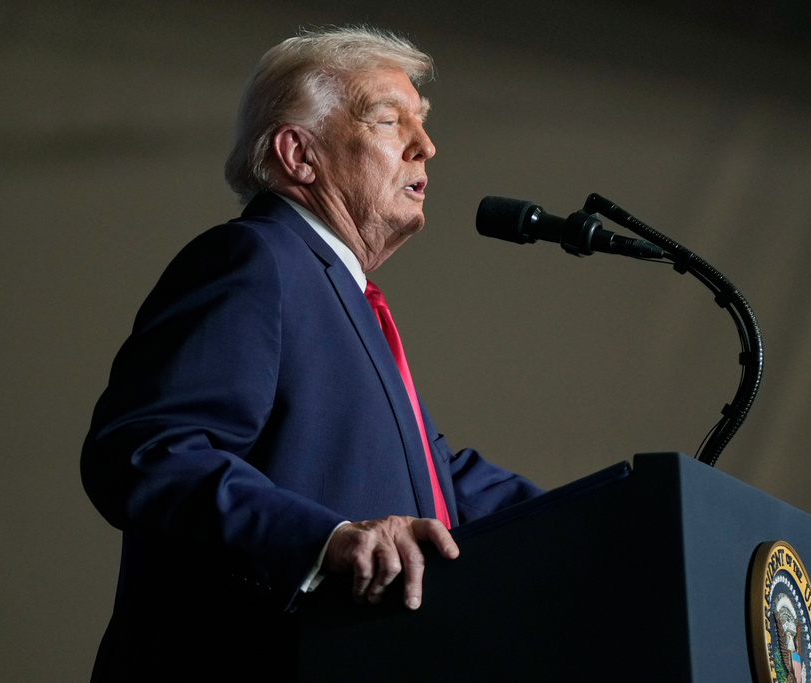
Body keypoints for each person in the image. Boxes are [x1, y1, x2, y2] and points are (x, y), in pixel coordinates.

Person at [81, 26, 542, 681]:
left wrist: (631, 513)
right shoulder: (255, 259)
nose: (427, 145)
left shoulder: (345, 298)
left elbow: (440, 481)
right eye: (391, 119)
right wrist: (321, 544)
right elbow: (146, 449)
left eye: (424, 121)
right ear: (299, 154)